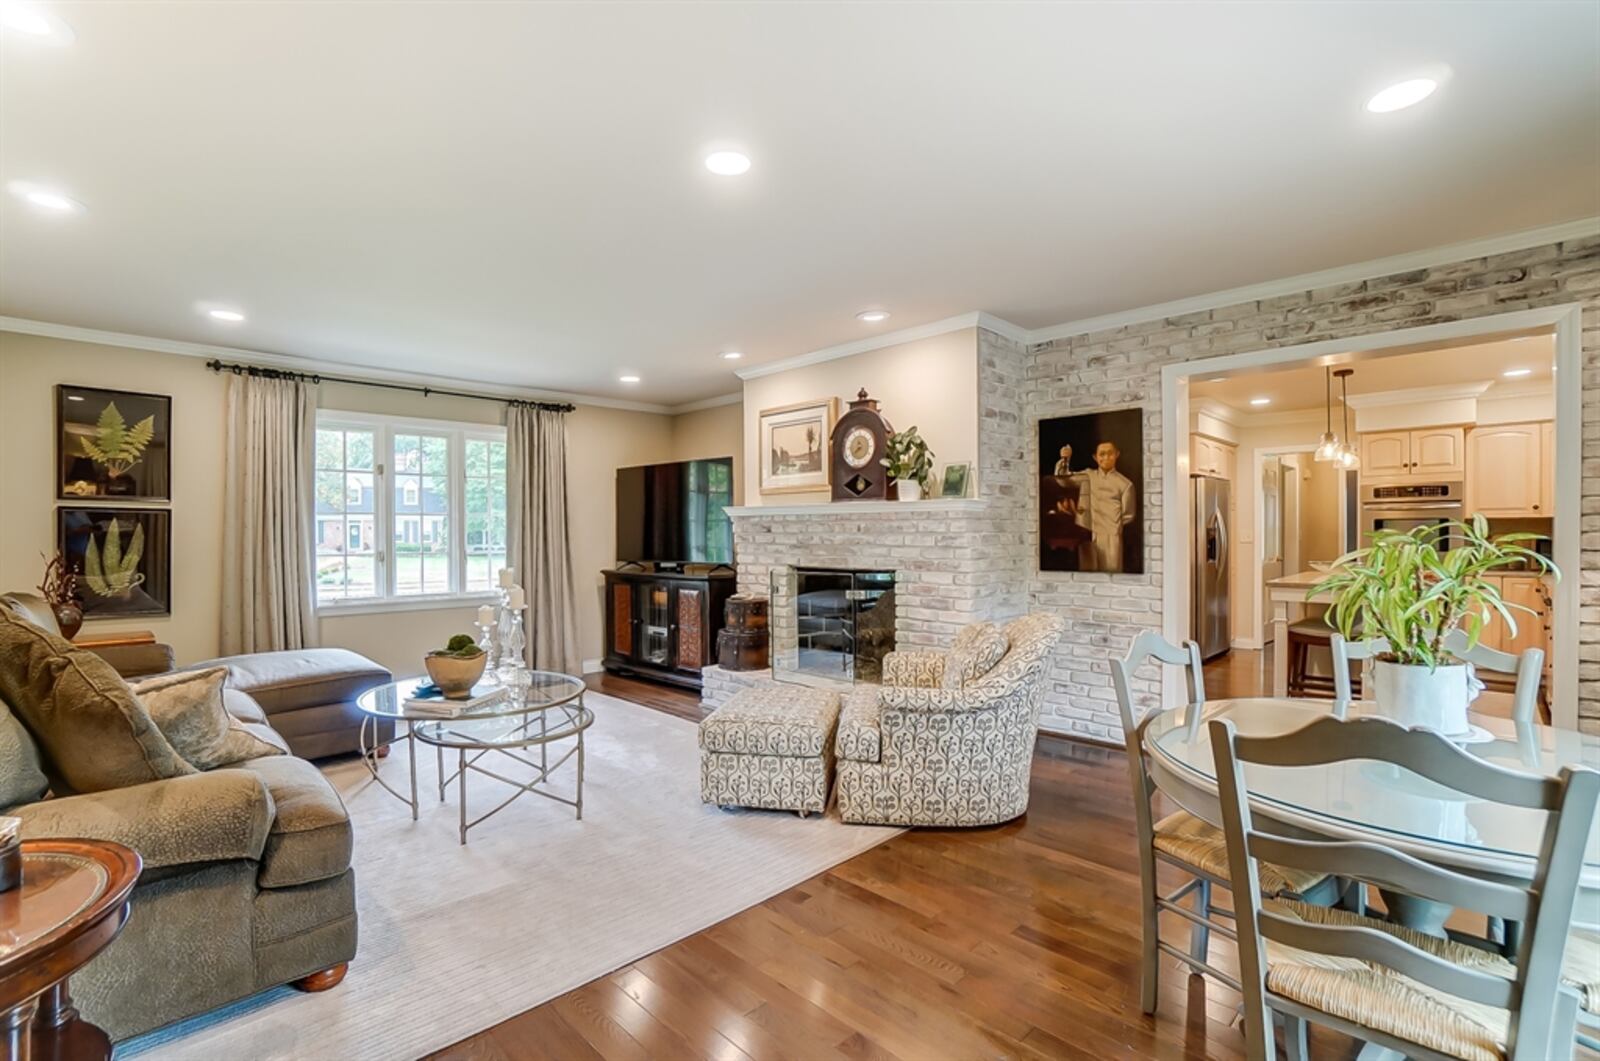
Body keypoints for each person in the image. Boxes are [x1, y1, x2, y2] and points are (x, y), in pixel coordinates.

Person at [1071, 441, 1135, 572]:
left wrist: (1111, 525)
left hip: (1111, 537)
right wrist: (1065, 459)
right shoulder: (1087, 476)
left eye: (1110, 454)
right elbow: (1063, 480)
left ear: (1117, 455)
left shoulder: (1125, 484)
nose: (1106, 458)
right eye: (1102, 454)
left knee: (1111, 574)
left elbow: (1128, 515)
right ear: (1095, 457)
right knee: (1086, 575)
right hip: (1087, 535)